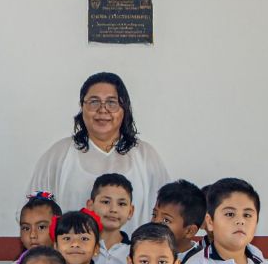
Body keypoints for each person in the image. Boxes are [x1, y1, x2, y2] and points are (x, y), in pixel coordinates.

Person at [29, 72, 168, 229]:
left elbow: (165, 212)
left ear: (124, 108)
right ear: (82, 107)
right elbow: (34, 211)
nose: (103, 110)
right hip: (70, 252)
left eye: (112, 102)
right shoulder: (59, 155)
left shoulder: (145, 156)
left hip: (134, 252)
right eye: (94, 102)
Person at [87, 173, 135, 264]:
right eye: (106, 202)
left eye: (121, 204)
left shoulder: (135, 252)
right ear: (90, 206)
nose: (113, 209)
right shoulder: (79, 247)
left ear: (130, 211)